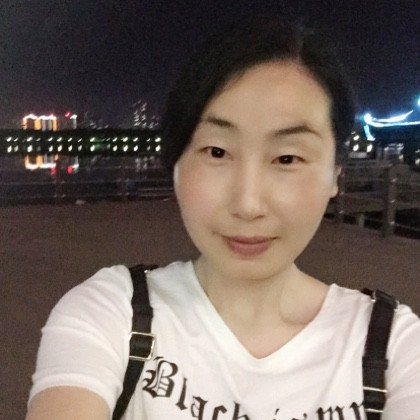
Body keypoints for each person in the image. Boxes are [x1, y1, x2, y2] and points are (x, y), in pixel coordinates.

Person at [26, 18, 420, 420]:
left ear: (335, 174)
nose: (248, 205)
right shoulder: (110, 313)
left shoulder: (396, 348)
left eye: (287, 158)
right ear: (175, 165)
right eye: (217, 152)